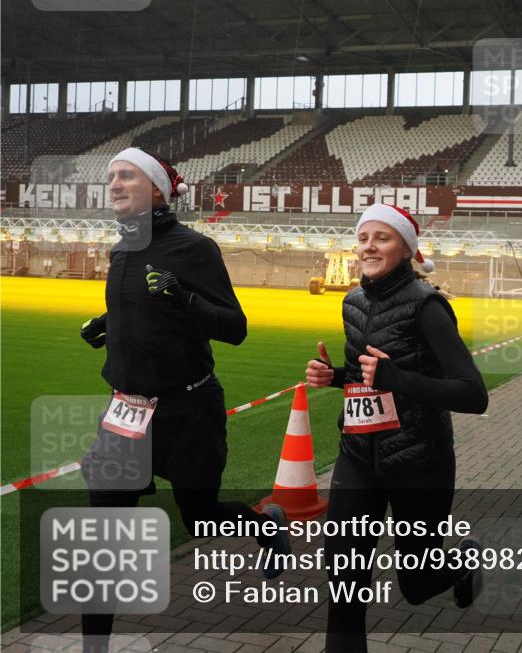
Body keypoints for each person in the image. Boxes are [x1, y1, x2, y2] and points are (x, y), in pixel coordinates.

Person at [78, 148, 291, 650]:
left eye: (126, 175)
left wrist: (187, 300)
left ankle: (263, 524)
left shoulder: (194, 248)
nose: (114, 183)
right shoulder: (121, 250)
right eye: (111, 176)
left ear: (156, 189)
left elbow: (235, 328)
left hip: (186, 412)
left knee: (200, 516)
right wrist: (106, 326)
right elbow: (141, 309)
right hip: (125, 414)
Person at [305, 203, 489, 653]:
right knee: (345, 584)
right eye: (364, 237)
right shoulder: (353, 301)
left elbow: (472, 394)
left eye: (382, 238)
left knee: (418, 583)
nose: (369, 246)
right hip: (358, 459)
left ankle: (461, 564)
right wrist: (337, 379)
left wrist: (396, 379)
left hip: (419, 462)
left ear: (406, 248)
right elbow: (367, 378)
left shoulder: (429, 307)